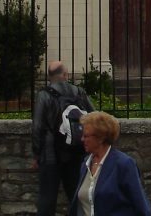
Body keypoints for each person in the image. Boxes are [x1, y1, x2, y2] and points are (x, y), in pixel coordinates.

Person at [32, 61, 95, 215]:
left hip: (50, 154)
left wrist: (37, 154)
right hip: (76, 151)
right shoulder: (79, 92)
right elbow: (94, 117)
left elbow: (38, 127)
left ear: (49, 77)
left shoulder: (44, 95)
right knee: (76, 196)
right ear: (65, 74)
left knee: (47, 198)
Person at [70, 111, 151, 216]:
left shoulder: (124, 164)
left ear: (100, 138)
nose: (82, 139)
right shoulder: (85, 164)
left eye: (86, 136)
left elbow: (141, 207)